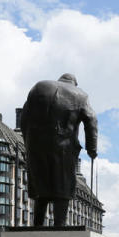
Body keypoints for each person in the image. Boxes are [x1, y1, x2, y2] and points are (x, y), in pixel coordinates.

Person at [21, 74, 98, 227]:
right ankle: (59, 226)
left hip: (36, 145)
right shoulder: (80, 94)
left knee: (40, 188)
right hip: (64, 146)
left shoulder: (38, 86)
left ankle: (37, 225)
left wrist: (28, 143)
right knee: (62, 186)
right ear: (74, 83)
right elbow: (91, 120)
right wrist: (92, 148)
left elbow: (23, 118)